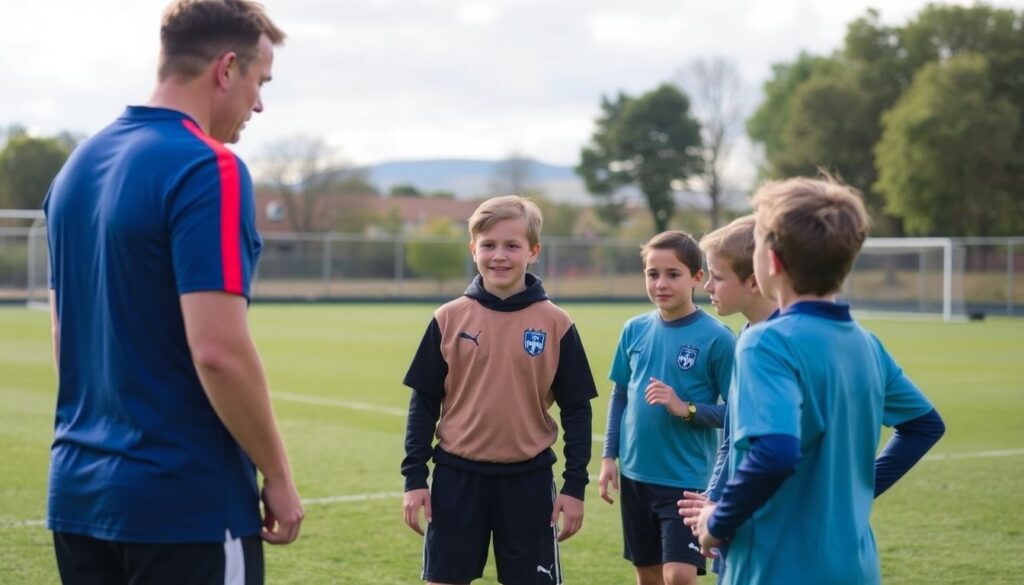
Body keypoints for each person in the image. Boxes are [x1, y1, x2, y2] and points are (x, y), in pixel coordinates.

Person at [43, 2, 302, 583]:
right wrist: (278, 476)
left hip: (79, 496)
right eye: (260, 82)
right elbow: (218, 351)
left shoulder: (76, 168)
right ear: (226, 68)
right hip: (185, 506)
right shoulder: (208, 167)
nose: (258, 104)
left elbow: (65, 339)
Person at [680, 177, 945, 585]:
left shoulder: (764, 343)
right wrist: (856, 490)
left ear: (773, 262)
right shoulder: (865, 343)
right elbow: (925, 425)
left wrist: (717, 519)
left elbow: (775, 451)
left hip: (776, 568)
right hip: (854, 566)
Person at [401, 195, 598, 585]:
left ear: (534, 252)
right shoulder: (448, 317)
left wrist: (575, 486)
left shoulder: (556, 323)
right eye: (488, 245)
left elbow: (577, 409)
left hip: (529, 481)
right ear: (473, 249)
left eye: (512, 245)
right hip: (456, 478)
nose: (499, 256)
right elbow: (423, 404)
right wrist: (415, 479)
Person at [597, 231, 736, 585]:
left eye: (673, 274)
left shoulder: (717, 338)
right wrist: (609, 456)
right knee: (648, 576)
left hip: (686, 480)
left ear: (696, 278)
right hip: (636, 476)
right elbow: (621, 395)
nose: (661, 283)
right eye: (652, 273)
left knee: (679, 577)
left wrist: (685, 408)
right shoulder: (634, 329)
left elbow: (738, 414)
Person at [681, 215, 779, 581]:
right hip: (735, 515)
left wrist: (721, 510)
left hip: (766, 523)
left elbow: (775, 450)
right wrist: (712, 501)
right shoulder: (747, 335)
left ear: (754, 281)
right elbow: (732, 435)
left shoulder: (778, 345)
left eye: (716, 277)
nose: (706, 285)